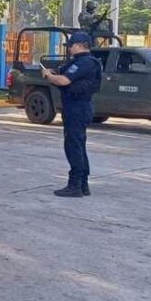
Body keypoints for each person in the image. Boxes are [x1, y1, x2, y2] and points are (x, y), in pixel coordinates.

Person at [40, 32, 102, 198]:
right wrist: (54, 73)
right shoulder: (82, 62)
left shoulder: (85, 62)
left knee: (73, 146)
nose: (69, 49)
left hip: (77, 107)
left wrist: (49, 76)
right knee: (78, 145)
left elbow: (64, 81)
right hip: (78, 106)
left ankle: (75, 185)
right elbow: (66, 77)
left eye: (71, 45)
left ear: (81, 45)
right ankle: (82, 184)